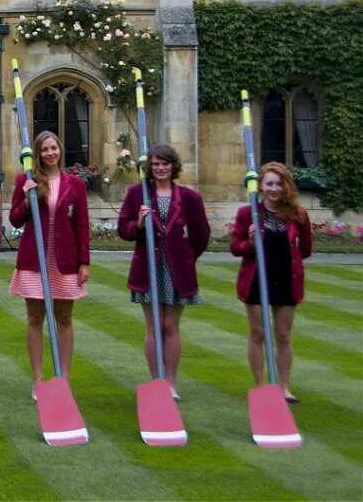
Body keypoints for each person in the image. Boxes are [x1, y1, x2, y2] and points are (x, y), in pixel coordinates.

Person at [116, 143, 210, 398]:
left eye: (165, 163)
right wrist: (138, 223)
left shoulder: (190, 198)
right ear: (149, 167)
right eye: (156, 164)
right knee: (154, 325)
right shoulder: (138, 194)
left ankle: (170, 381)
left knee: (171, 325)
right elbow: (123, 230)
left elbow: (202, 235)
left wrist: (187, 257)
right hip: (148, 266)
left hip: (177, 268)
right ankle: (156, 379)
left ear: (173, 166)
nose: (160, 168)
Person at [8, 130, 90, 393]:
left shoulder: (75, 184)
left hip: (64, 260)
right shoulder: (26, 179)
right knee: (35, 318)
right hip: (35, 259)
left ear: (60, 150)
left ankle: (63, 377)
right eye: (45, 149)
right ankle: (38, 379)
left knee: (64, 318)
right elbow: (15, 219)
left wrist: (84, 262)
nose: (50, 153)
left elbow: (82, 225)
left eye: (54, 148)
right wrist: (27, 195)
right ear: (37, 153)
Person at [230, 161, 313, 403]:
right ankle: (261, 384)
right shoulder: (249, 213)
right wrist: (250, 241)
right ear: (261, 187)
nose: (274, 189)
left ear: (286, 186)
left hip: (286, 278)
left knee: (283, 335)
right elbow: (236, 248)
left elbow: (305, 249)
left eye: (278, 184)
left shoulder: (298, 215)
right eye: (269, 184)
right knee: (258, 333)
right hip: (257, 277)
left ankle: (283, 386)